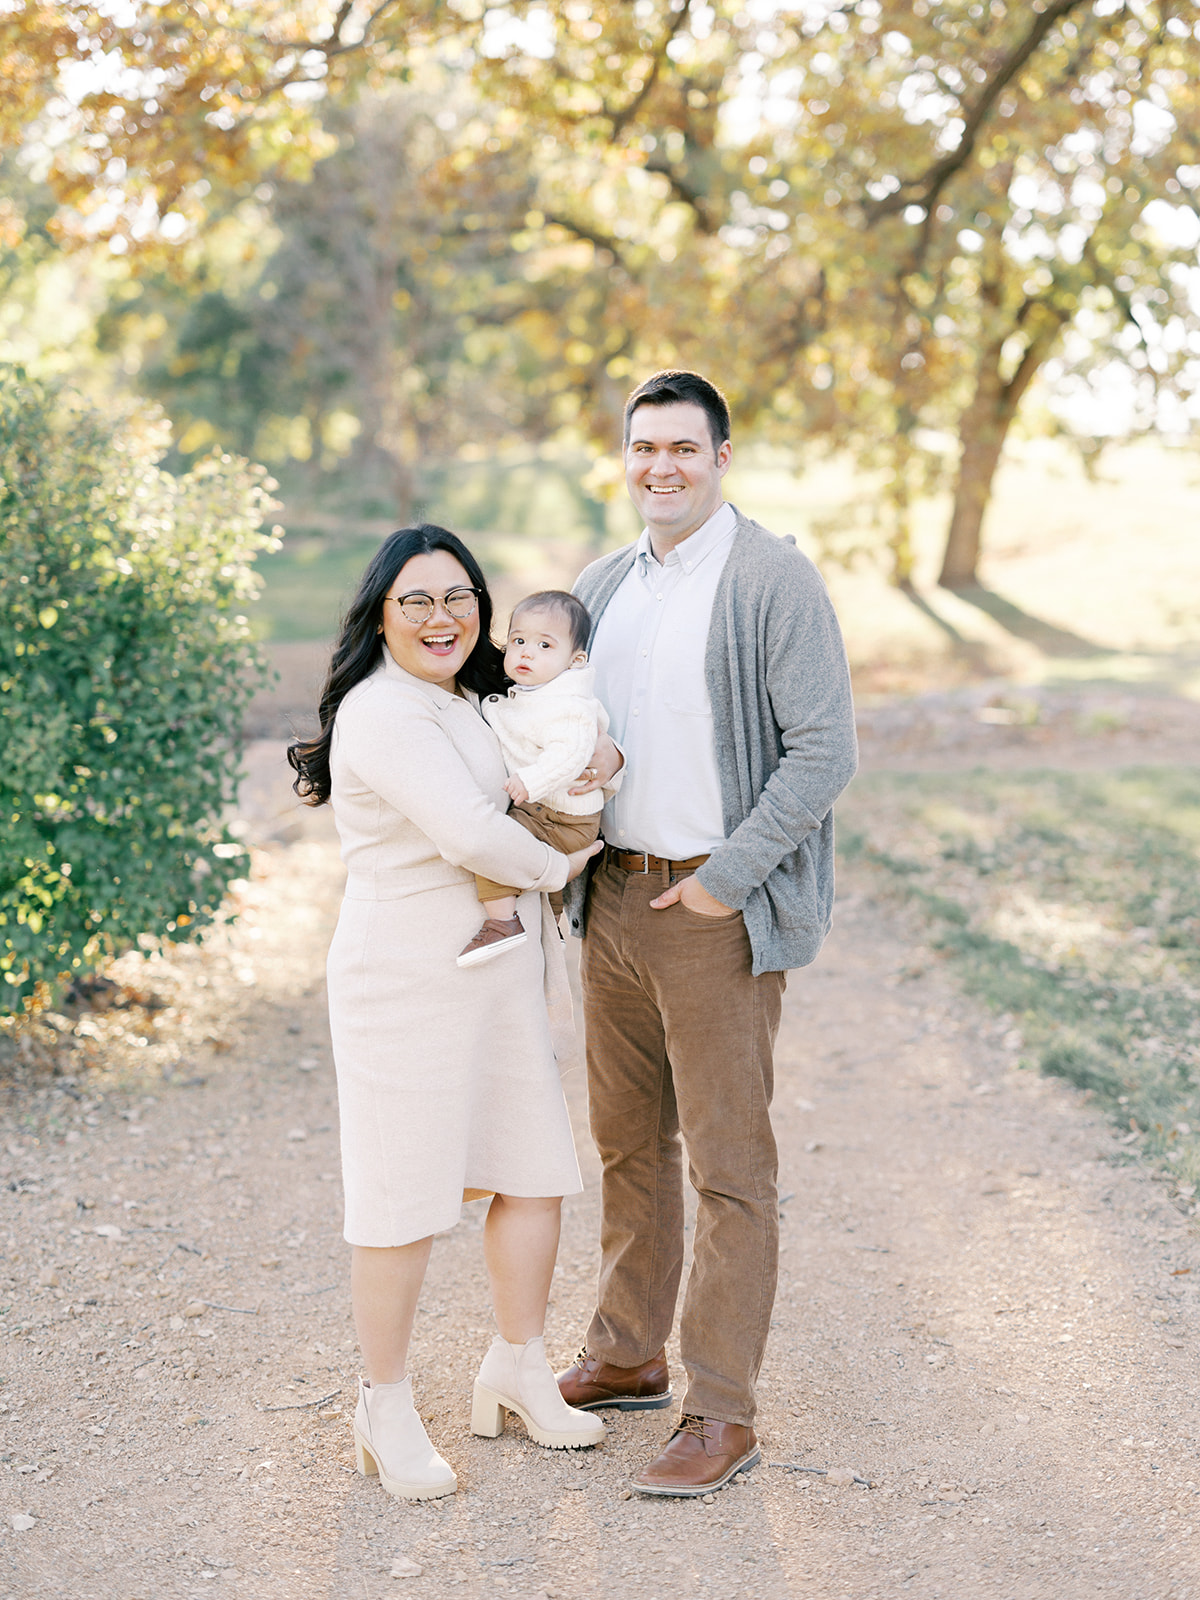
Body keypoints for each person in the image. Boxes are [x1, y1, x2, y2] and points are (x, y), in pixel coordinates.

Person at [555, 371, 858, 1497]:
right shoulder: (602, 586)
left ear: (722, 457)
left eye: (684, 448)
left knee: (732, 1166)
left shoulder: (770, 580)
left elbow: (823, 751)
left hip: (713, 911)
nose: (661, 467)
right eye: (644, 449)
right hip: (615, 904)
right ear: (625, 459)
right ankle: (629, 1352)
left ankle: (719, 1408)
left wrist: (730, 881)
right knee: (630, 1148)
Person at [287, 526, 617, 1502]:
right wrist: (560, 866)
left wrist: (608, 753)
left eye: (459, 596)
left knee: (534, 1171)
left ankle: (518, 1367)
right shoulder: (380, 713)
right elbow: (472, 828)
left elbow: (558, 739)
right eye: (416, 600)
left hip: (500, 975)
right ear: (379, 615)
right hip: (406, 986)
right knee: (401, 1203)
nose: (443, 616)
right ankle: (382, 1407)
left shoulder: (472, 700)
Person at [458, 590, 609, 967]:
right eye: (519, 641)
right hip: (552, 811)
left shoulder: (569, 704)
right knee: (546, 885)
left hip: (562, 815)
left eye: (544, 645)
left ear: (575, 661)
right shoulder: (532, 692)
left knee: (496, 849)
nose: (526, 652)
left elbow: (571, 756)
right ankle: (549, 930)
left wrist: (532, 780)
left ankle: (502, 922)